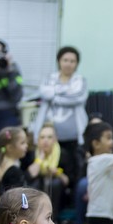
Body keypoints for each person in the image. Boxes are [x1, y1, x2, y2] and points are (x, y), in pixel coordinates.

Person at [34, 46, 88, 187]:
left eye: (72, 61)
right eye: (65, 60)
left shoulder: (80, 80)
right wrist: (65, 93)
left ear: (77, 64)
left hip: (74, 137)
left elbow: (78, 97)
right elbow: (44, 93)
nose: (68, 64)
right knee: (50, 170)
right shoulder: (49, 78)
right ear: (59, 61)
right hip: (49, 138)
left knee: (73, 170)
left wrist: (54, 95)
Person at [26, 123, 71, 223]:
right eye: (42, 137)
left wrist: (57, 173)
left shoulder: (63, 154)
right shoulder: (32, 154)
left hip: (58, 192)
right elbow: (29, 176)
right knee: (35, 183)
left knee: (54, 183)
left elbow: (68, 181)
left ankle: (52, 221)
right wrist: (40, 159)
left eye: (49, 137)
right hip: (37, 189)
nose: (45, 140)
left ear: (55, 139)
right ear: (37, 140)